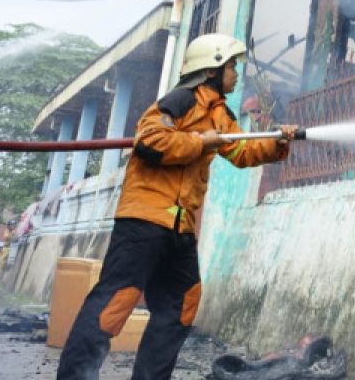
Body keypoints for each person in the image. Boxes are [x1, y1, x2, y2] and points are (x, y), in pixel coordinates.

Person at [56, 34, 297, 380]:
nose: (236, 73)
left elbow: (241, 151)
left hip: (179, 228)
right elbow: (150, 142)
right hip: (143, 221)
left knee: (180, 305)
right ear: (211, 69)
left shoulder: (219, 112)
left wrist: (278, 142)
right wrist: (199, 143)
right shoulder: (179, 101)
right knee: (115, 303)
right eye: (231, 66)